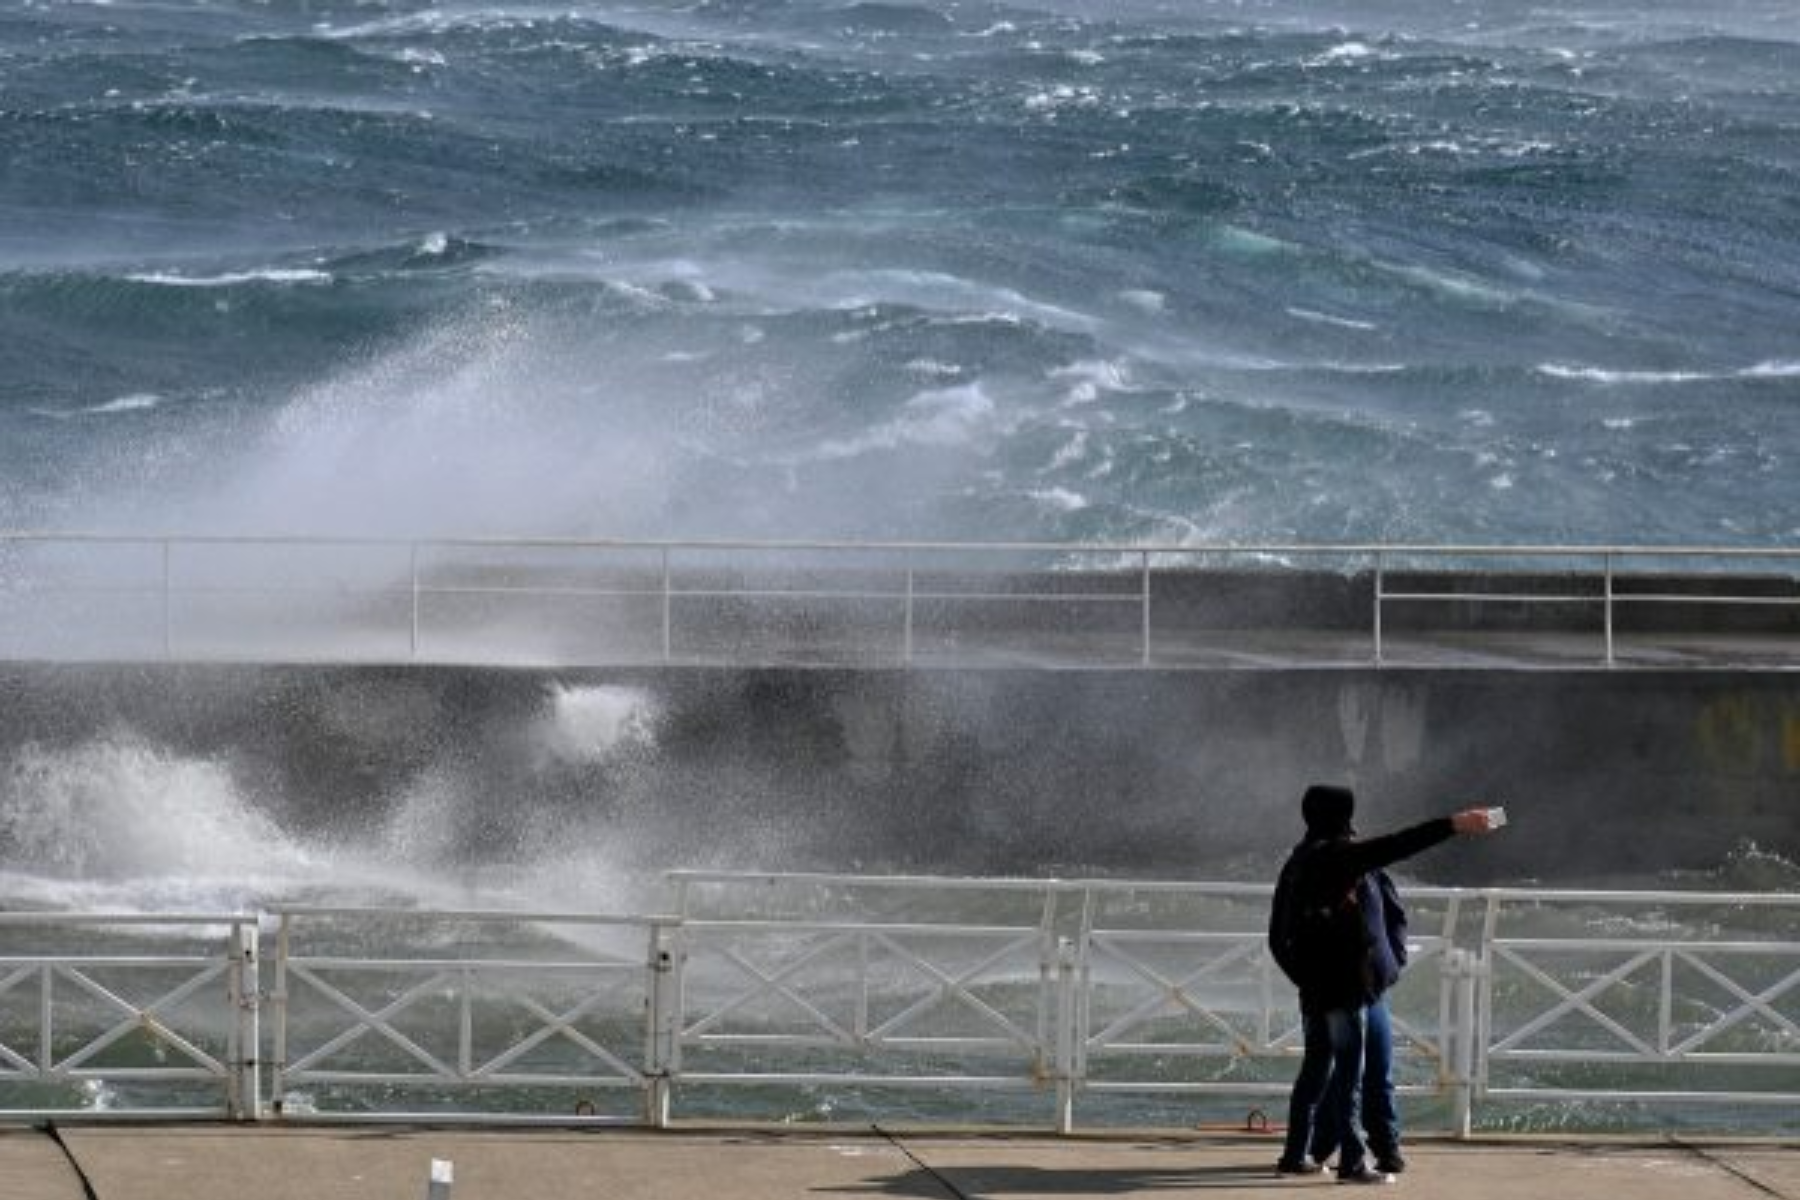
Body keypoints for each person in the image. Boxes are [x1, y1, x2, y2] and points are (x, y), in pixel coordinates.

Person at [1269, 784, 1499, 1185]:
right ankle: (1353, 1163)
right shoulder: (1341, 856)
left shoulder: (1298, 860)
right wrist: (1455, 824)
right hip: (1347, 989)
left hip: (1317, 991)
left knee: (1314, 1073)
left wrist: (1305, 978)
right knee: (1349, 1076)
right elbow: (1401, 844)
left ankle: (1295, 1155)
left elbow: (1276, 937)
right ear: (1342, 816)